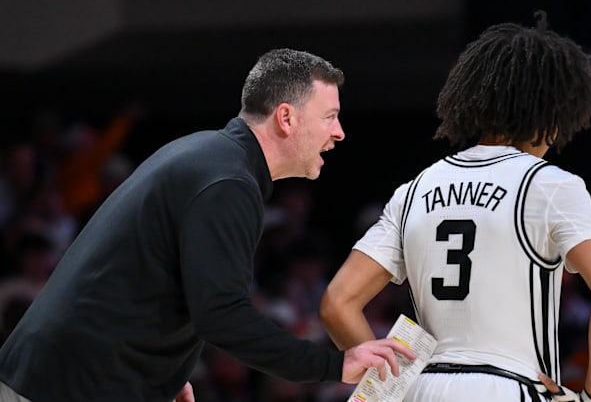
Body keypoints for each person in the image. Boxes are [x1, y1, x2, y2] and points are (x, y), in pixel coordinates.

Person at [0, 48, 414, 402]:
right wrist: (335, 363)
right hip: (63, 386)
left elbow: (140, 273)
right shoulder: (227, 181)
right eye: (330, 117)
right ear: (286, 118)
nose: (339, 133)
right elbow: (222, 315)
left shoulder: (209, 156)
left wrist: (166, 372)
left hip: (59, 376)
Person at [319, 11, 591, 402]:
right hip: (509, 386)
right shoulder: (550, 184)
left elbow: (337, 303)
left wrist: (389, 382)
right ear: (551, 111)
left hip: (421, 388)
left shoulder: (414, 189)